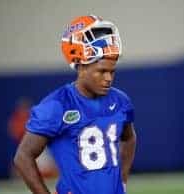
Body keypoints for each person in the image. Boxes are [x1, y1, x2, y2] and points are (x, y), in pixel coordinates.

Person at [14, 15, 137, 194]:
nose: (108, 78)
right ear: (81, 66)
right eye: (102, 71)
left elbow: (129, 138)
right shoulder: (57, 105)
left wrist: (123, 181)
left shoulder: (120, 101)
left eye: (112, 71)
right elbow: (23, 157)